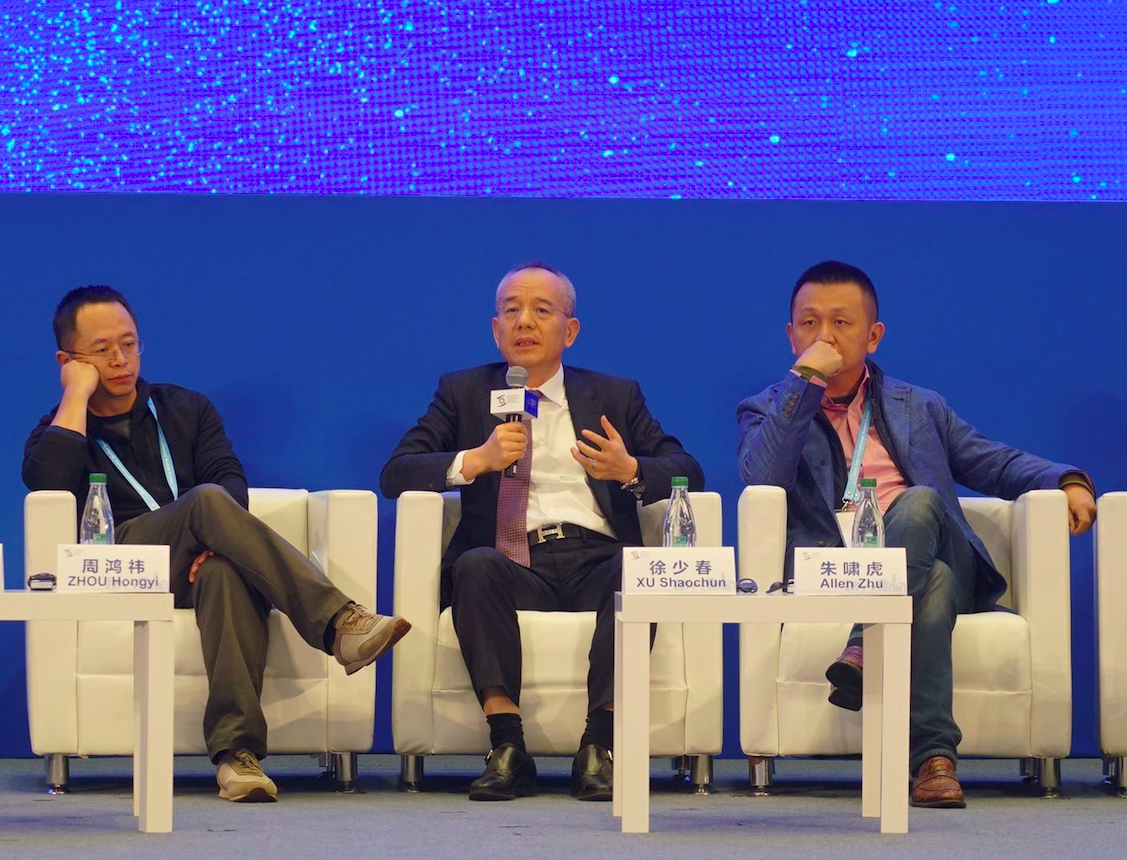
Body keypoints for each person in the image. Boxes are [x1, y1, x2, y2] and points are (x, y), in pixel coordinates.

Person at [23, 286, 412, 803]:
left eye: (129, 344)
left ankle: (236, 756)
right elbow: (47, 485)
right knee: (205, 501)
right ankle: (339, 621)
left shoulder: (184, 408)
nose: (120, 359)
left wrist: (214, 542)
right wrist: (75, 397)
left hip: (191, 567)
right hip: (119, 565)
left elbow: (230, 479)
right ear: (68, 360)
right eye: (101, 350)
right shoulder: (58, 429)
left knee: (225, 573)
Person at [736, 260, 1096, 808]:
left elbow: (993, 462)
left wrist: (1064, 479)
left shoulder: (919, 407)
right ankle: (934, 762)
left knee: (921, 501)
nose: (824, 336)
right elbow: (763, 476)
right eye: (809, 323)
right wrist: (803, 383)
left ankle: (863, 641)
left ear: (873, 336)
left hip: (926, 538)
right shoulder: (767, 408)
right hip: (837, 574)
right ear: (791, 335)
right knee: (933, 585)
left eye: (841, 323)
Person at [381, 262, 703, 802]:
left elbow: (687, 470)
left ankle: (599, 746)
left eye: (541, 310)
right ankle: (507, 745)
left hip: (595, 557)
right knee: (474, 567)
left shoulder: (614, 396)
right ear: (495, 329)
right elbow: (396, 473)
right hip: (511, 561)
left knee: (636, 572)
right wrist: (475, 460)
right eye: (511, 310)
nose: (524, 321)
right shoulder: (463, 392)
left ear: (569, 331)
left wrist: (629, 470)